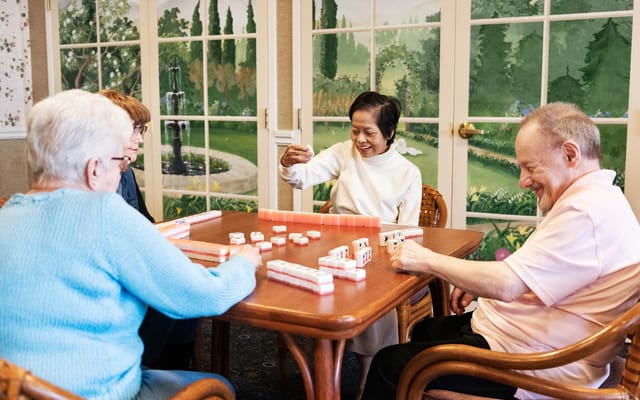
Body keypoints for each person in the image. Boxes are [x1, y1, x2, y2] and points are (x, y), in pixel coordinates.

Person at [362, 102, 640, 399]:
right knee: (426, 331)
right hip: (525, 339)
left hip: (530, 362)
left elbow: (508, 284)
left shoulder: (585, 212)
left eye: (530, 167)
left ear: (570, 154)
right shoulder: (600, 199)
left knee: (389, 365)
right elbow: (538, 272)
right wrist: (477, 281)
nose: (523, 181)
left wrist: (427, 259)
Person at [0, 89, 262, 399]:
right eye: (119, 161)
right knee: (222, 388)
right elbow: (203, 295)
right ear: (94, 168)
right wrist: (244, 263)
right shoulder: (103, 212)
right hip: (96, 393)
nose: (121, 169)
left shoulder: (7, 214)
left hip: (17, 390)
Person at [279, 91, 423, 398]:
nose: (360, 140)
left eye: (369, 132)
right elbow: (302, 177)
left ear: (389, 132)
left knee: (376, 294)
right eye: (355, 130)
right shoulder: (344, 153)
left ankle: (368, 378)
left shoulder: (408, 174)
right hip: (334, 241)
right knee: (306, 284)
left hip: (380, 249)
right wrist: (288, 164)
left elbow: (408, 229)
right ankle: (320, 357)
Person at [99, 89, 198, 371]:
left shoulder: (126, 171)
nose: (140, 139)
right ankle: (144, 370)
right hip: (117, 282)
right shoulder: (96, 178)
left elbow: (145, 221)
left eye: (142, 130)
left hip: (132, 264)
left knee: (185, 304)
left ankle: (171, 372)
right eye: (135, 129)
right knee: (172, 298)